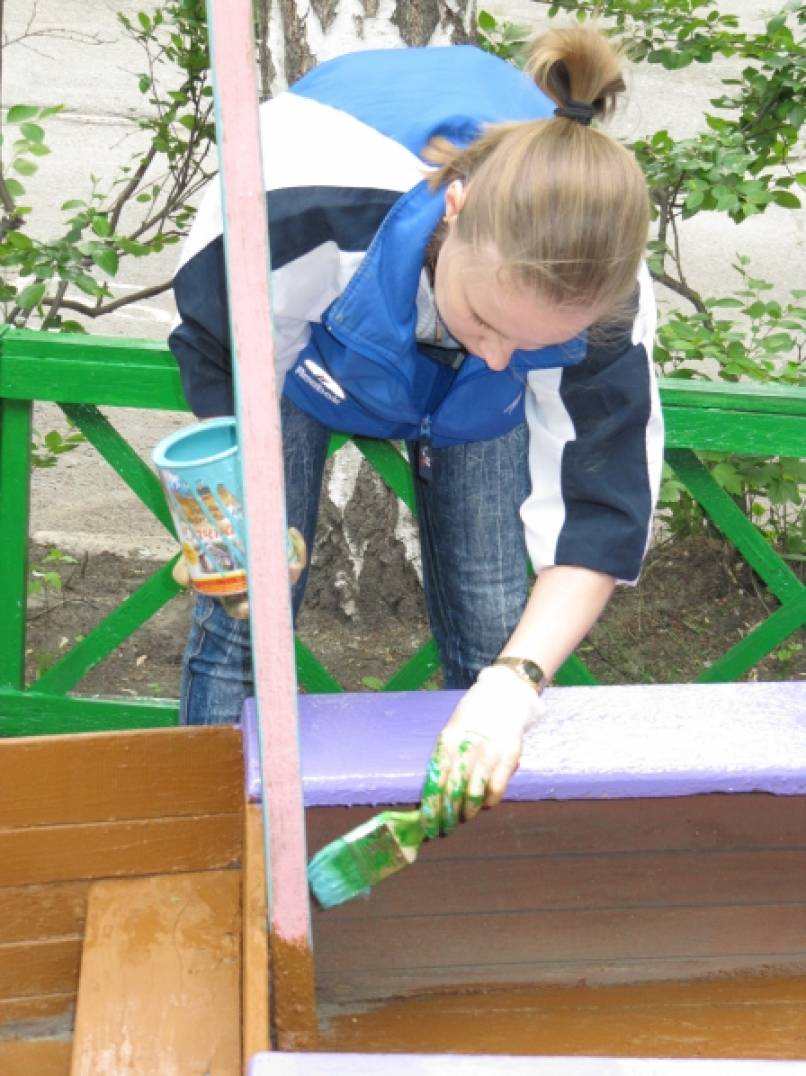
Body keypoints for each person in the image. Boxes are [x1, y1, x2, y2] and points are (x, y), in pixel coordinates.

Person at [168, 26, 664, 839]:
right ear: (456, 210)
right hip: (306, 347)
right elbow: (222, 351)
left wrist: (515, 682)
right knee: (244, 602)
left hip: (469, 397)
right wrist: (235, 512)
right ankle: (205, 835)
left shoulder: (602, 288)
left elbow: (598, 514)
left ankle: (481, 859)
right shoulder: (297, 203)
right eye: (488, 320)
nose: (498, 356)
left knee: (498, 623)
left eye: (531, 344)